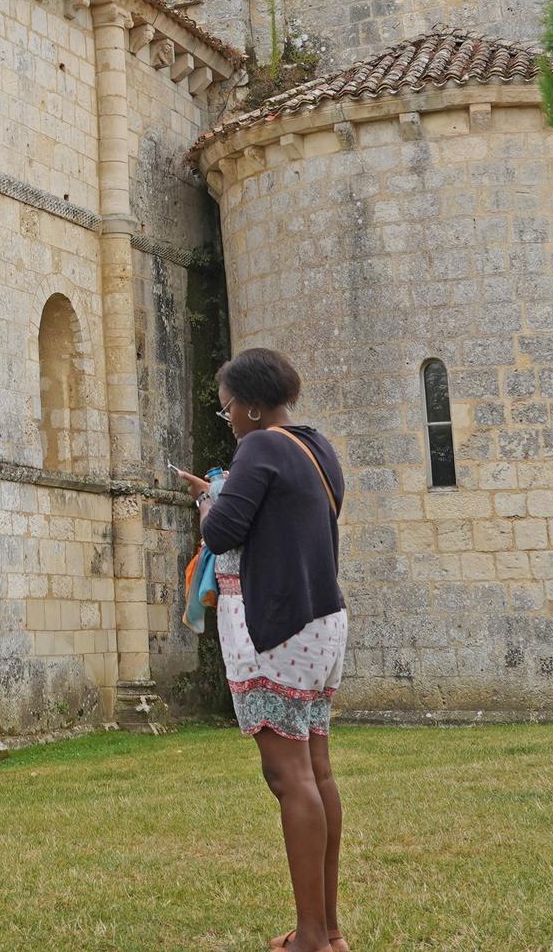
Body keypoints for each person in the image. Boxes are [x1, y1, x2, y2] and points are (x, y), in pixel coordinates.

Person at [179, 347, 349, 952]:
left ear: (251, 405)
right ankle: (327, 930)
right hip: (322, 621)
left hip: (275, 625)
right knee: (318, 772)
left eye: (228, 411)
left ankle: (308, 937)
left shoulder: (258, 446)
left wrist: (208, 501)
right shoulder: (314, 443)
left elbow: (222, 532)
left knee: (288, 776)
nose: (229, 422)